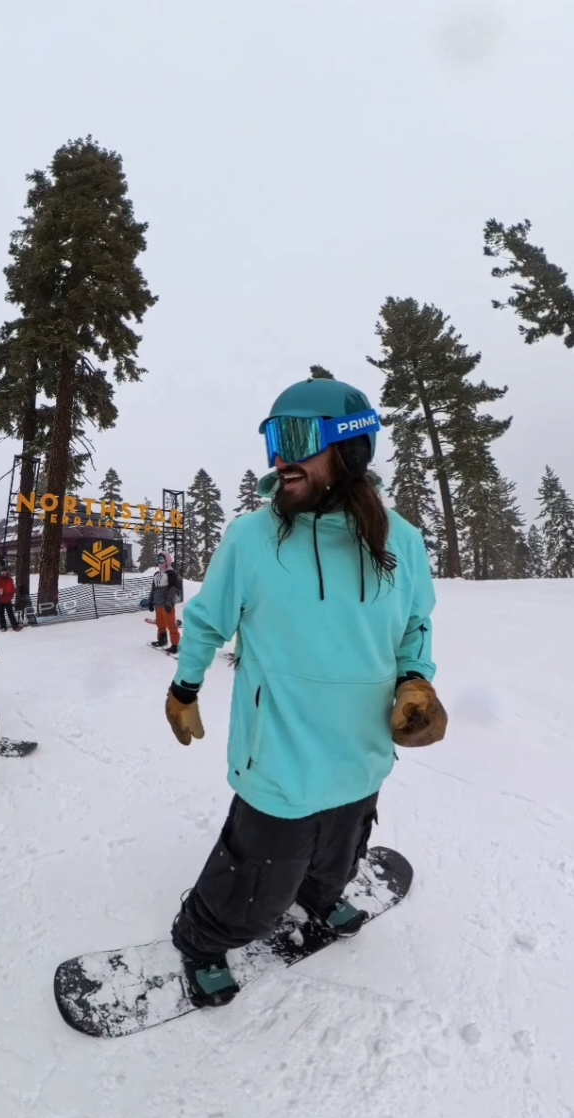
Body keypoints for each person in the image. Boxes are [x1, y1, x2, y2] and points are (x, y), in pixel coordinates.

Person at [165, 378, 447, 1007]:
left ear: (348, 450)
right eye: (272, 439)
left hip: (361, 745)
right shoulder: (253, 537)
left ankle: (322, 901)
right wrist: (185, 686)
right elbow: (209, 619)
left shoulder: (399, 540)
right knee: (257, 876)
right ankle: (203, 939)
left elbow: (414, 624)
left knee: (342, 847)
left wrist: (414, 680)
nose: (278, 459)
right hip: (281, 749)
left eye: (294, 439)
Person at [148, 551, 182, 654]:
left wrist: (169, 602)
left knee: (171, 624)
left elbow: (174, 588)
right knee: (160, 623)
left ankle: (175, 645)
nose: (160, 562)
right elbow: (153, 589)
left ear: (167, 560)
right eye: (158, 560)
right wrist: (150, 601)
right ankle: (162, 640)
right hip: (158, 603)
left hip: (167, 604)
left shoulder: (171, 573)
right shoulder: (157, 574)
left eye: (162, 560)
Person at [0, 562, 20, 631]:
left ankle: (15, 626)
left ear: (7, 572)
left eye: (4, 572)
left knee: (10, 613)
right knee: (1, 614)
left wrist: (10, 596)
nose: (3, 573)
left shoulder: (10, 579)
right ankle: (3, 627)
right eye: (2, 572)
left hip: (7, 599)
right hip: (0, 600)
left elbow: (13, 589)